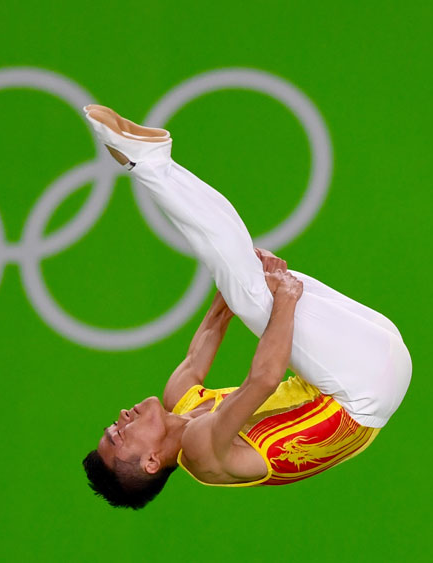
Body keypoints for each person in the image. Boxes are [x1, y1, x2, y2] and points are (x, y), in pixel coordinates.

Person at [81, 105, 412, 509]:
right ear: (151, 461)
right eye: (119, 436)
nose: (120, 419)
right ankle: (148, 162)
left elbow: (216, 322)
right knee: (257, 293)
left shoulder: (179, 398)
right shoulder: (201, 453)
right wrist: (279, 298)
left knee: (249, 283)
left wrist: (250, 268)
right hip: (362, 391)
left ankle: (155, 159)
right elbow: (264, 379)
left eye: (111, 426)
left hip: (365, 362)